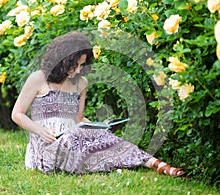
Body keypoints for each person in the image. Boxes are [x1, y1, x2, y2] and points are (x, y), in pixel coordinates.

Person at [11, 31, 185, 177]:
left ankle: (158, 164)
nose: (79, 70)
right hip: (45, 145)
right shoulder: (39, 78)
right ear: (62, 60)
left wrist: (98, 128)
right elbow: (17, 114)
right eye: (75, 65)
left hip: (73, 138)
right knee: (74, 138)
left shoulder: (81, 83)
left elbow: (79, 119)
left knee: (105, 138)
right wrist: (39, 130)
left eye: (82, 65)